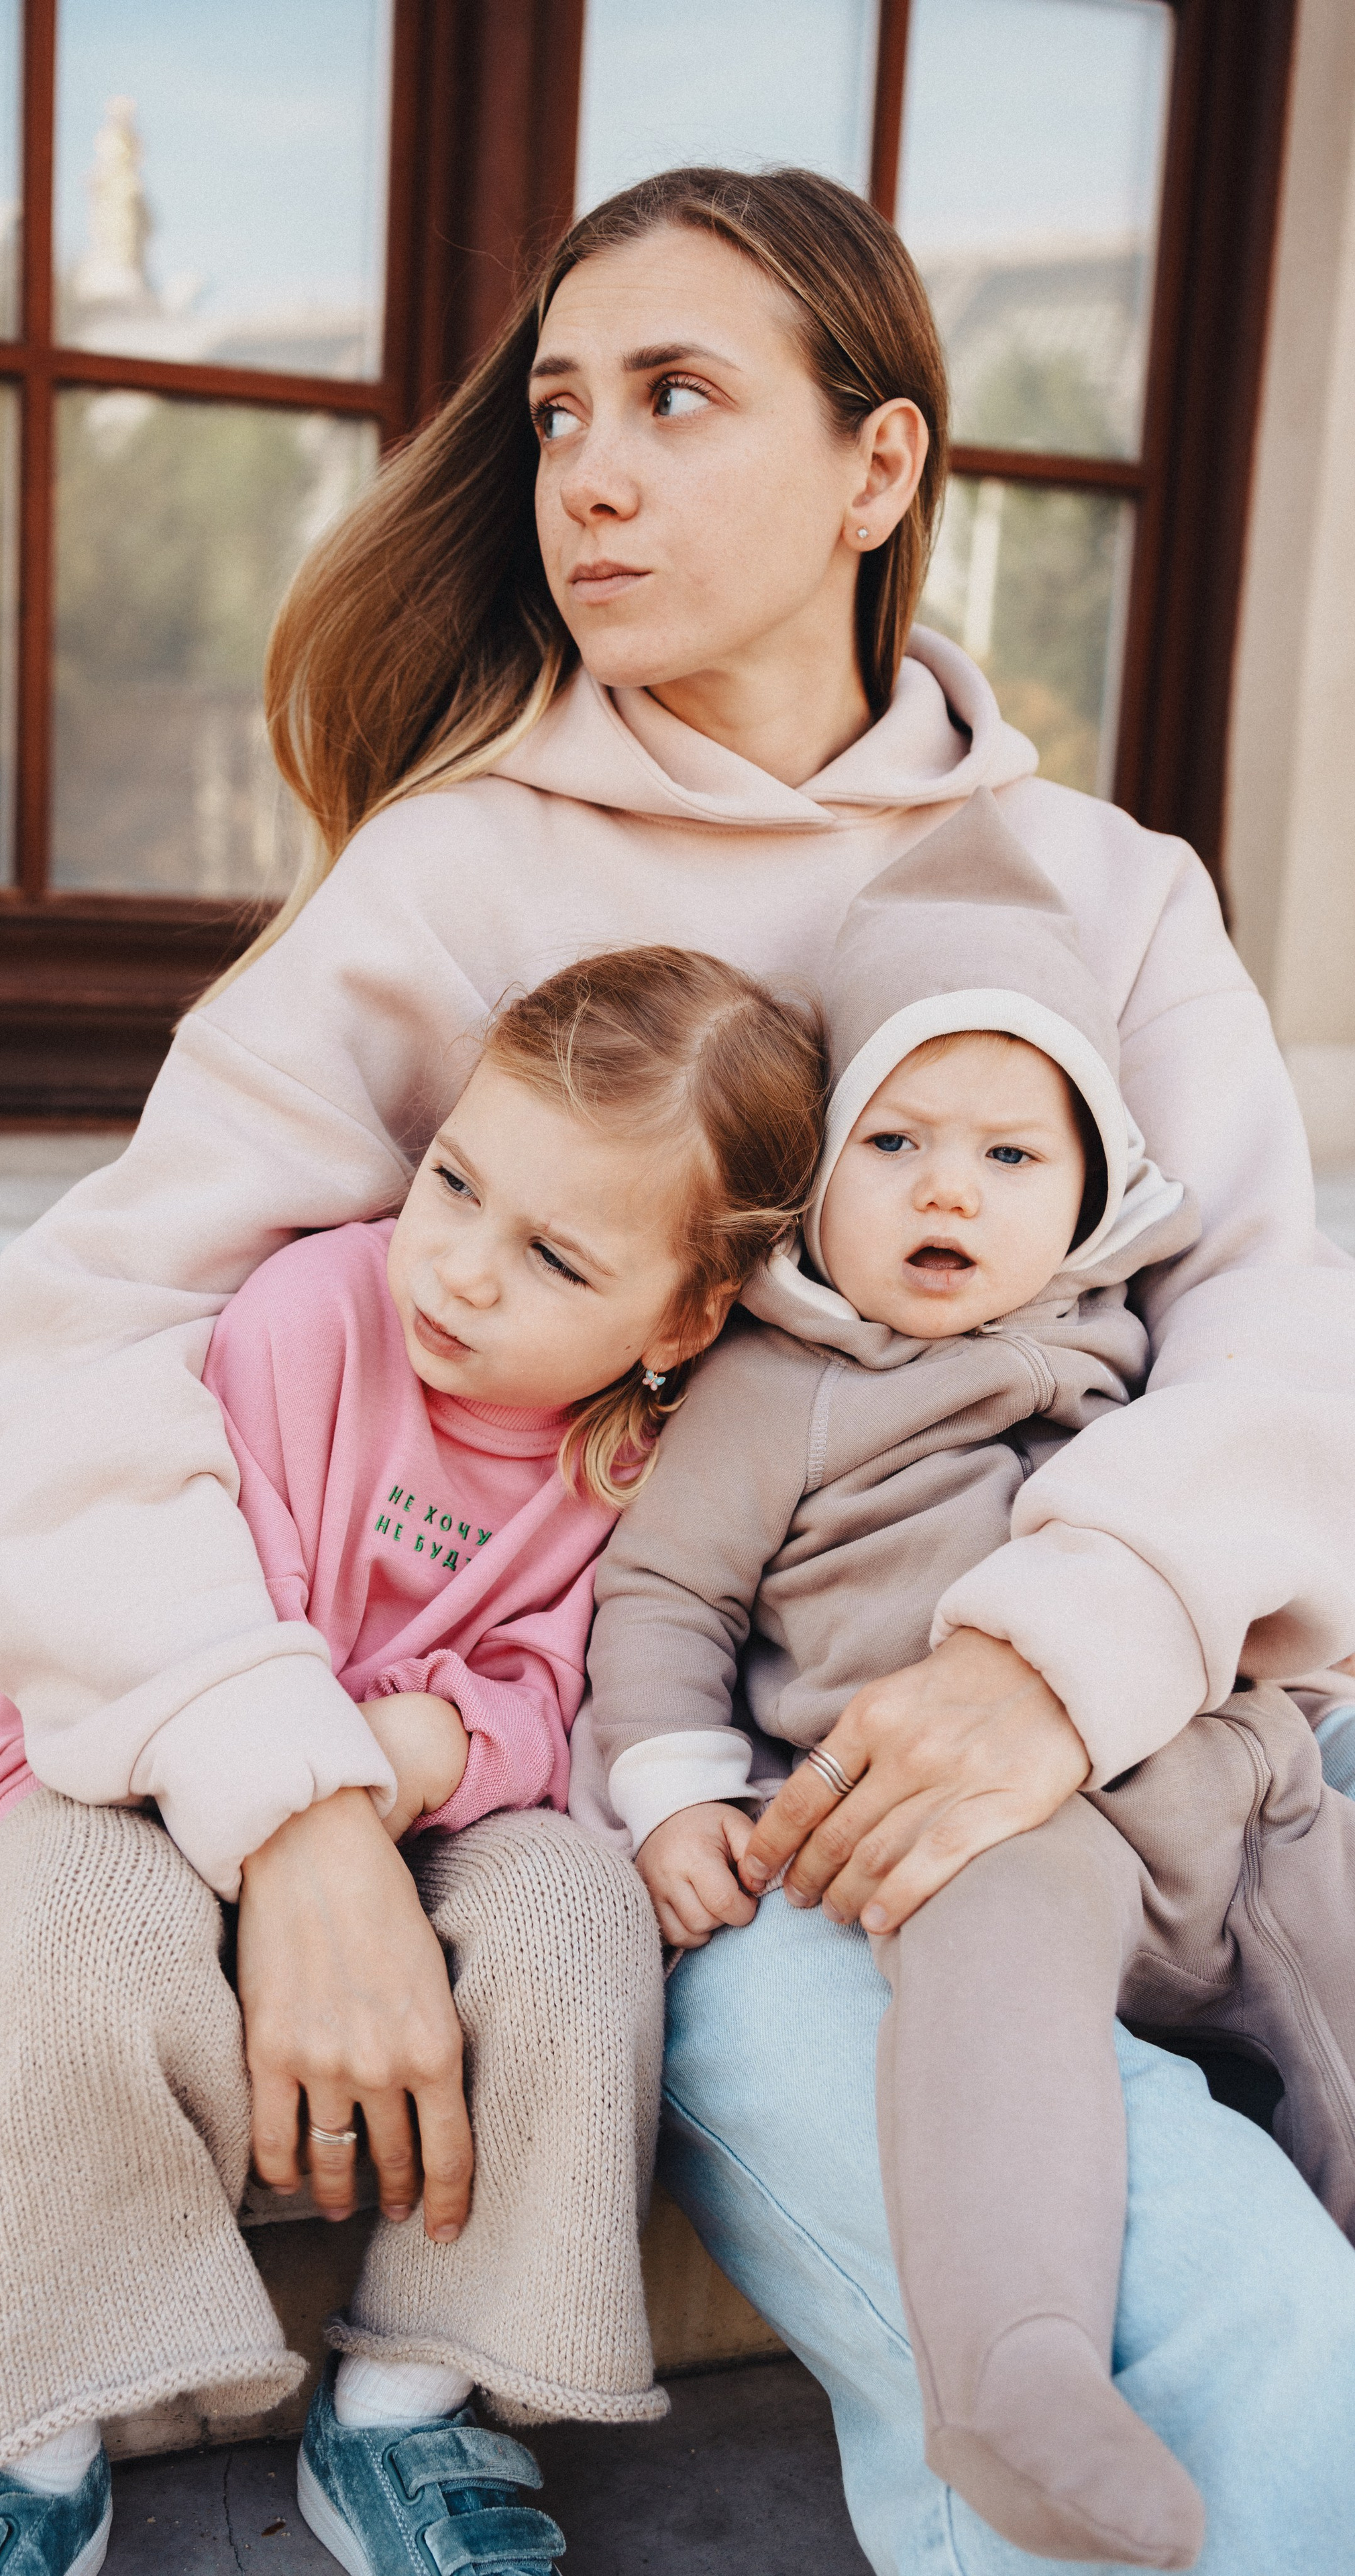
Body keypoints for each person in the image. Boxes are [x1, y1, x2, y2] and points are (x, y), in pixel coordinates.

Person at [0, 162, 1355, 2576]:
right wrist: (303, 1803)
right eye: (563, 411)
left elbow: (1284, 1341)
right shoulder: (458, 884)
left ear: (882, 472)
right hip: (757, 1845)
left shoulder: (1104, 887)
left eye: (676, 398)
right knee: (1237, 2341)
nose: (593, 475)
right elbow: (90, 1350)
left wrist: (1053, 1661)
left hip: (1173, 1742)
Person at [0, 949, 822, 2576]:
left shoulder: (655, 1462)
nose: (455, 1270)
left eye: (549, 1257)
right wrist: (312, 1764)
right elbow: (190, 1604)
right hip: (160, 1777)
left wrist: (439, 1742)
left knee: (568, 1919)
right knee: (84, 1913)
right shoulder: (316, 1315)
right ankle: (19, 2447)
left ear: (680, 1317)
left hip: (447, 1808)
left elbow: (582, 1690)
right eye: (452, 1184)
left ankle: (405, 2401)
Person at [576, 795, 1355, 2569]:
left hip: (1230, 1782)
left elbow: (1263, 1454)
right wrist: (679, 1788)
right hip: (992, 1836)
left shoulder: (1125, 1345)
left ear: (1095, 1196)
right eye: (901, 1140)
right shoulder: (785, 1388)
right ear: (822, 1175)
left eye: (1014, 1158)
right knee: (987, 2011)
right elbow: (663, 1593)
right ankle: (1020, 2364)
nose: (951, 1186)